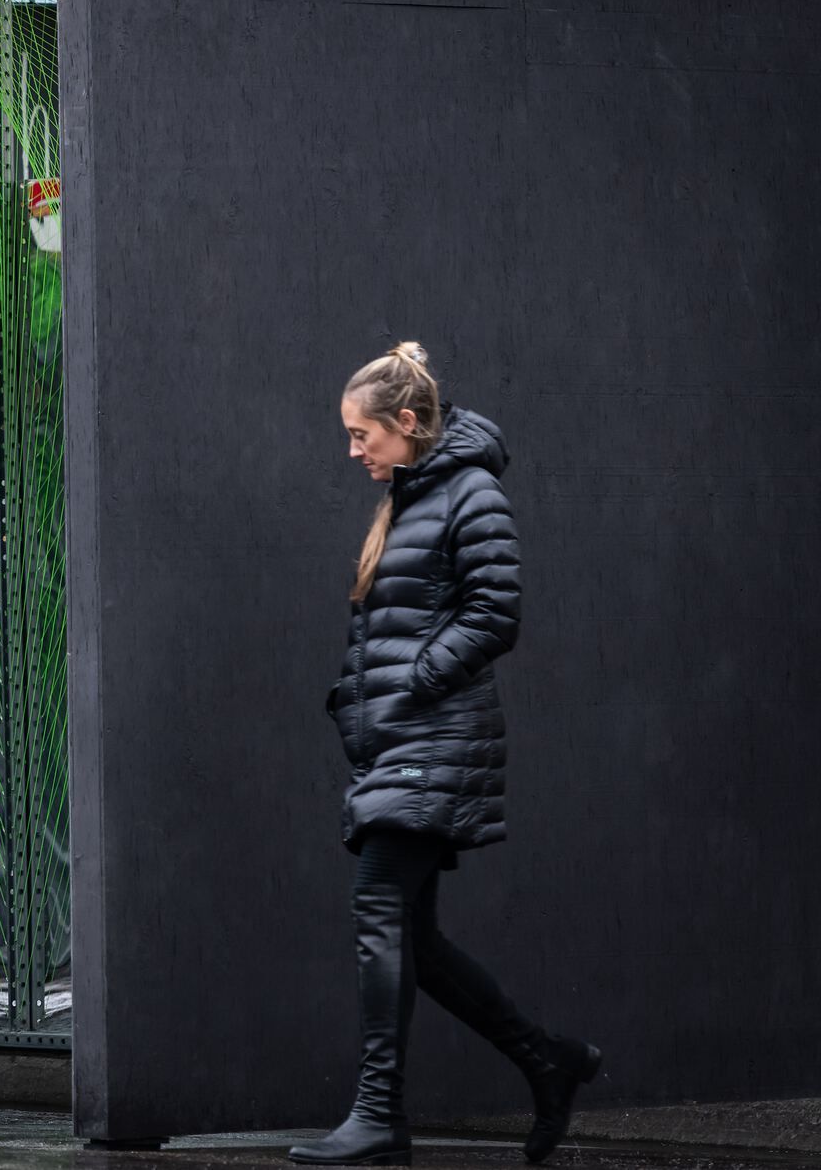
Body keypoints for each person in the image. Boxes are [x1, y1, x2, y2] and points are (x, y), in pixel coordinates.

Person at [289, 343, 601, 1168]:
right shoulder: (414, 493)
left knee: (377, 911)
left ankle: (379, 1116)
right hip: (399, 743)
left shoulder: (471, 491)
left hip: (433, 739)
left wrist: (414, 682)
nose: (354, 451)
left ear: (407, 422)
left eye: (363, 435)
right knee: (413, 939)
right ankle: (548, 1059)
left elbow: (496, 611)